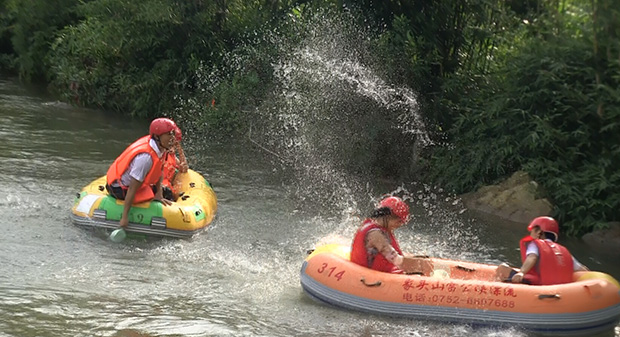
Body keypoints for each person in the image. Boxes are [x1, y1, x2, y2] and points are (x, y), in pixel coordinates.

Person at [105, 118, 177, 228]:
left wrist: (159, 194)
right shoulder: (145, 159)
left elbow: (159, 170)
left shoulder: (160, 147)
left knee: (165, 192)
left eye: (172, 134)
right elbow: (133, 188)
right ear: (157, 137)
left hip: (132, 184)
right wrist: (124, 217)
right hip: (120, 188)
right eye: (168, 134)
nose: (172, 138)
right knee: (167, 193)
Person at [350, 196, 433, 274]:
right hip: (367, 276)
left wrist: (419, 259)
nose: (399, 225)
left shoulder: (378, 226)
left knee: (423, 259)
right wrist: (420, 264)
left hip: (378, 271)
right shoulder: (375, 235)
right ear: (388, 216)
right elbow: (396, 260)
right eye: (399, 222)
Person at [506, 216, 589, 285]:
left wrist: (522, 272)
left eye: (533, 231)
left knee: (502, 268)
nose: (531, 233)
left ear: (539, 232)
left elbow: (532, 257)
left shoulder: (535, 244)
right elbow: (581, 269)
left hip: (538, 283)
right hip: (562, 288)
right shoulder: (563, 250)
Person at [161, 125, 189, 200]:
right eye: (170, 144)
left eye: (173, 144)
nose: (171, 148)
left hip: (167, 188)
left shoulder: (172, 157)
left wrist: (179, 148)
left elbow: (184, 168)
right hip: (160, 187)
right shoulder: (160, 154)